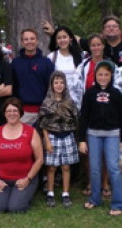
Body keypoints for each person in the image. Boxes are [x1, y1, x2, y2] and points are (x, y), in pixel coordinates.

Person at [78, 60, 122, 216]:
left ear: (111, 75)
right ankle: (95, 199)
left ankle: (119, 203)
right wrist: (81, 139)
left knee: (113, 168)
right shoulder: (90, 93)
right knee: (94, 168)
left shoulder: (116, 94)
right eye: (100, 74)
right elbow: (84, 117)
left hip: (112, 135)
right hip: (93, 134)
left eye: (106, 74)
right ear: (95, 75)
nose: (103, 77)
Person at [0, 97, 44, 213]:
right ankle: (7, 193)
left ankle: (22, 194)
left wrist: (27, 179)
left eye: (15, 111)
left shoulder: (30, 131)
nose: (12, 114)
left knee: (15, 208)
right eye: (9, 111)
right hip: (2, 179)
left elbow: (39, 159)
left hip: (25, 178)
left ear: (20, 113)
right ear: (4, 113)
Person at [37, 71, 79, 208]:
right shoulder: (47, 102)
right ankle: (50, 193)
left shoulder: (69, 102)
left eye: (61, 82)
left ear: (65, 84)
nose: (59, 85)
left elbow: (75, 120)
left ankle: (65, 193)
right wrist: (47, 141)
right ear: (52, 84)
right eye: (56, 82)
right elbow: (43, 123)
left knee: (66, 167)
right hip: (52, 136)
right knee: (51, 167)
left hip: (67, 135)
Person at [42, 15, 122, 67]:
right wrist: (54, 32)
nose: (111, 29)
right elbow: (75, 39)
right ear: (103, 30)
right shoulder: (96, 45)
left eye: (114, 26)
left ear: (120, 29)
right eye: (108, 27)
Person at [11, 28, 54, 125]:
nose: (29, 42)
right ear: (22, 42)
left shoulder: (46, 63)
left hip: (43, 111)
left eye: (32, 39)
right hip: (22, 112)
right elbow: (13, 87)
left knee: (42, 140)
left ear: (37, 41)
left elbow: (51, 87)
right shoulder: (15, 63)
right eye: (26, 39)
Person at [47, 26, 83, 109]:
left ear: (70, 38)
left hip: (77, 101)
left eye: (64, 37)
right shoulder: (51, 57)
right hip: (59, 101)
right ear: (55, 41)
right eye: (59, 38)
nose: (62, 40)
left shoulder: (80, 56)